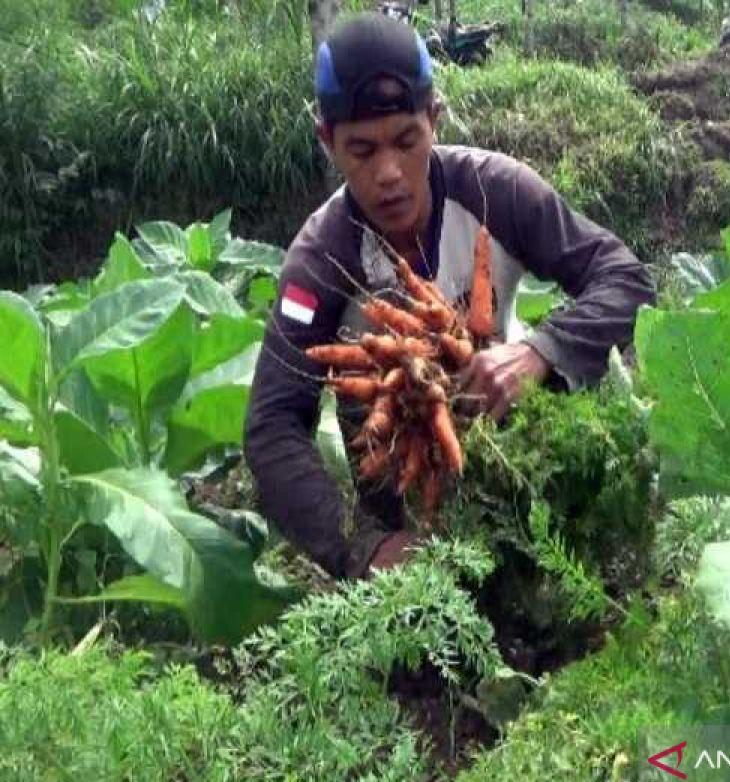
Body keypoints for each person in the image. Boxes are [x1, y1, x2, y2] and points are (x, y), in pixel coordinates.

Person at [243, 13, 656, 581]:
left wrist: (540, 352)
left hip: (521, 464)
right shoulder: (319, 261)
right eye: (361, 151)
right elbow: (271, 426)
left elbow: (624, 278)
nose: (389, 173)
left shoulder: (498, 191)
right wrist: (361, 545)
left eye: (406, 141)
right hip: (402, 516)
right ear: (327, 142)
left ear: (434, 120)